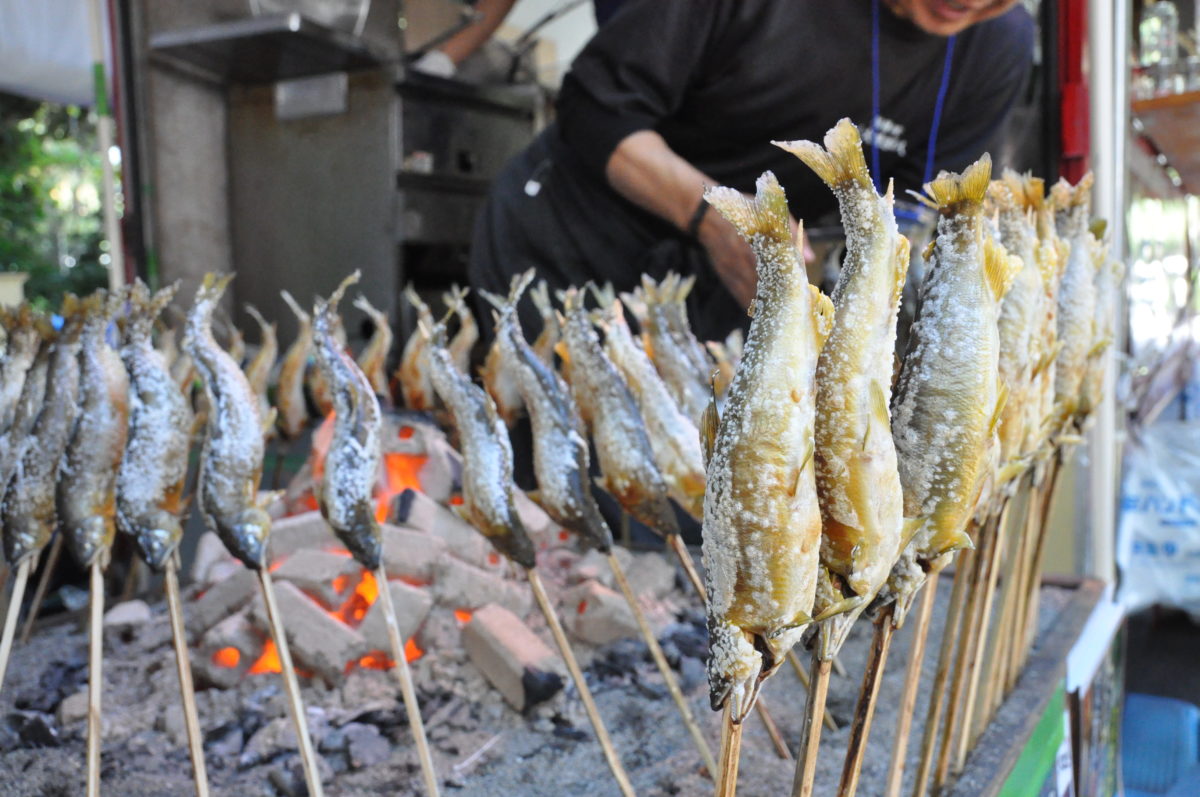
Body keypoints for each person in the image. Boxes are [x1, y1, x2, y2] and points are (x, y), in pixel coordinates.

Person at [468, 0, 1035, 341]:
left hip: (734, 284)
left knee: (704, 511)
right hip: (579, 242)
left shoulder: (997, 43)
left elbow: (916, 211)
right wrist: (716, 218)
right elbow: (597, 109)